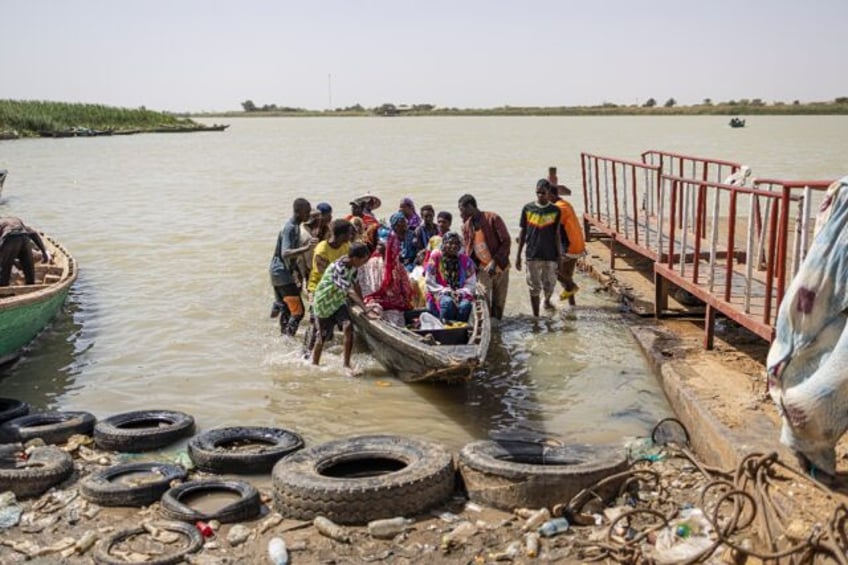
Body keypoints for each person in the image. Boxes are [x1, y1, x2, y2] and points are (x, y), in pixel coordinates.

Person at [310, 242, 373, 371]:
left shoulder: (353, 265)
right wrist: (365, 310)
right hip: (324, 302)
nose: (364, 263)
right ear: (355, 258)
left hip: (338, 301)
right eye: (364, 260)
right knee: (322, 336)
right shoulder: (339, 268)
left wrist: (364, 303)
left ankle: (346, 365)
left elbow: (356, 285)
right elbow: (349, 291)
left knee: (348, 326)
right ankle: (314, 365)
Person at [458, 194, 511, 320]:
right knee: (483, 300)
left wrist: (494, 262)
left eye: (462, 210)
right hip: (482, 268)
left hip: (500, 267)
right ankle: (488, 327)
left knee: (499, 303)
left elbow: (506, 241)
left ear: (470, 207)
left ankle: (497, 329)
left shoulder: (492, 218)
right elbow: (468, 249)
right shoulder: (466, 227)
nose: (460, 214)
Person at [269, 198, 317, 336]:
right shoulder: (290, 228)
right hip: (282, 274)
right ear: (298, 212)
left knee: (286, 308)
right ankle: (288, 339)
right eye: (307, 212)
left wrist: (297, 272)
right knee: (299, 312)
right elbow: (286, 253)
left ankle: (283, 337)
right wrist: (306, 248)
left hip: (278, 273)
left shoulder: (295, 226)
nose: (309, 215)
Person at [515, 180, 562, 316]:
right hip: (532, 254)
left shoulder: (555, 210)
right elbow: (523, 232)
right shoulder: (528, 208)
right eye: (538, 192)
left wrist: (559, 256)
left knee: (550, 285)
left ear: (549, 194)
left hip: (550, 254)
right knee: (534, 287)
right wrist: (518, 255)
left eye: (543, 193)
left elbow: (557, 234)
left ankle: (546, 301)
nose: (540, 195)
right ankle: (536, 316)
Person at [364, 214, 413, 314]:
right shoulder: (371, 263)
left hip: (393, 302)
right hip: (377, 300)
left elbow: (406, 289)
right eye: (380, 245)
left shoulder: (397, 265)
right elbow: (369, 289)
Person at [424, 232, 477, 323]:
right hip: (439, 293)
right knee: (447, 302)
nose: (453, 246)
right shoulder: (436, 257)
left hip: (460, 293)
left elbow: (471, 282)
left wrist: (461, 292)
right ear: (444, 243)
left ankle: (461, 330)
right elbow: (430, 281)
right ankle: (445, 328)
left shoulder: (466, 260)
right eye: (450, 243)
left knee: (465, 305)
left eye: (456, 244)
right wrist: (445, 290)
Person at [547, 182, 585, 305]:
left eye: (544, 195)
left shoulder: (558, 208)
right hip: (577, 245)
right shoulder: (565, 204)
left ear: (551, 196)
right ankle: (572, 306)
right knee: (567, 276)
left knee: (551, 269)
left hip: (570, 247)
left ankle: (571, 287)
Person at [306, 219, 353, 296]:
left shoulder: (346, 246)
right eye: (349, 234)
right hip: (319, 287)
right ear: (342, 235)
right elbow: (325, 274)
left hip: (337, 286)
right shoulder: (322, 250)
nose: (351, 236)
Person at [0, 217, 51, 286]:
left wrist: (9, 262)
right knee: (29, 269)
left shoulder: (2, 223)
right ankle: (31, 286)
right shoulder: (15, 219)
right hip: (25, 239)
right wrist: (44, 252)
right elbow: (33, 233)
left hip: (10, 238)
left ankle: (4, 291)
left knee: (5, 272)